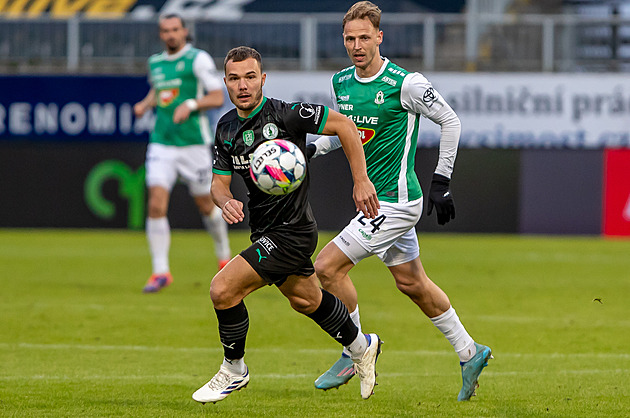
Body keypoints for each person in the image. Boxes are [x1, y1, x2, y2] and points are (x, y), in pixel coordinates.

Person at [306, 1, 492, 401]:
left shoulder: (404, 83)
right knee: (412, 282)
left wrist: (441, 180)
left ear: (379, 37)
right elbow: (345, 132)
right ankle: (470, 352)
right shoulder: (341, 82)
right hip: (374, 203)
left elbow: (451, 121)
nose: (356, 45)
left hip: (397, 202)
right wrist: (309, 151)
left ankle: (352, 348)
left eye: (363, 38)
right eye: (349, 39)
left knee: (326, 267)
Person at [191, 46, 382, 404]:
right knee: (306, 300)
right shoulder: (226, 128)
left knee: (222, 290)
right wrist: (225, 199)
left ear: (263, 79)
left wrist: (361, 181)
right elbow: (217, 183)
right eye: (234, 78)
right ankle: (362, 345)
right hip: (264, 229)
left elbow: (344, 125)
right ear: (226, 82)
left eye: (250, 77)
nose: (243, 85)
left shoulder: (289, 115)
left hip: (292, 231)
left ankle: (234, 369)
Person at [134, 14, 231, 293]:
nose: (171, 34)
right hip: (162, 143)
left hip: (193, 145)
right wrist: (145, 104)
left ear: (184, 31)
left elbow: (216, 96)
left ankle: (223, 255)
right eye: (165, 30)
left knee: (206, 206)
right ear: (160, 34)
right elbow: (160, 91)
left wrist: (190, 104)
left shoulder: (198, 59)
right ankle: (160, 271)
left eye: (175, 29)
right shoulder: (155, 63)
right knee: (155, 204)